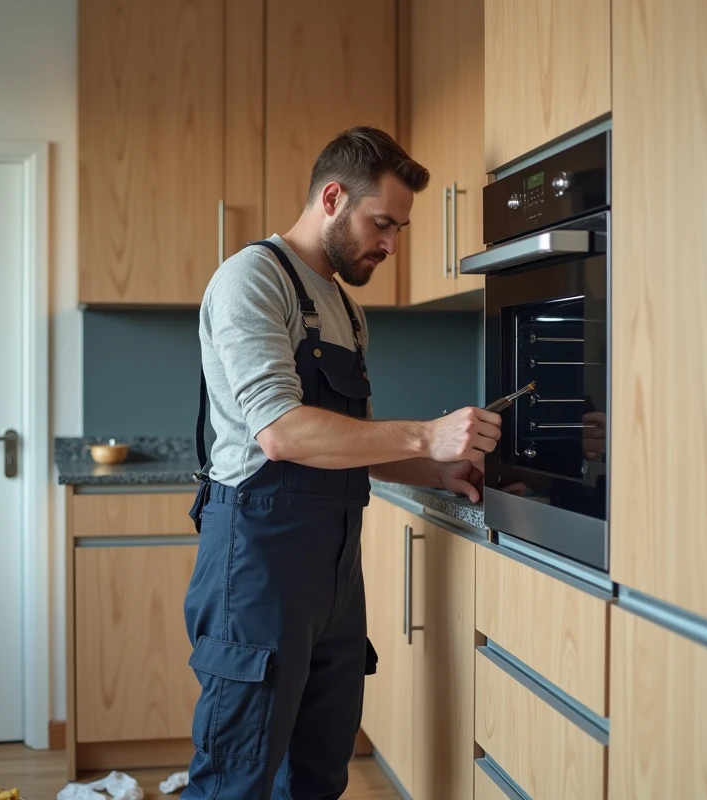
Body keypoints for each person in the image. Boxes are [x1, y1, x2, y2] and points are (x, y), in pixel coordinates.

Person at [183, 126, 502, 800]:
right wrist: (426, 437)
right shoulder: (252, 279)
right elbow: (282, 433)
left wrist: (436, 471)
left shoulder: (348, 312)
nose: (391, 244)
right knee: (237, 778)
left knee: (320, 775)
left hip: (333, 574)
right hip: (257, 563)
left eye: (399, 229)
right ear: (332, 198)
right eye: (381, 223)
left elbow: (354, 442)